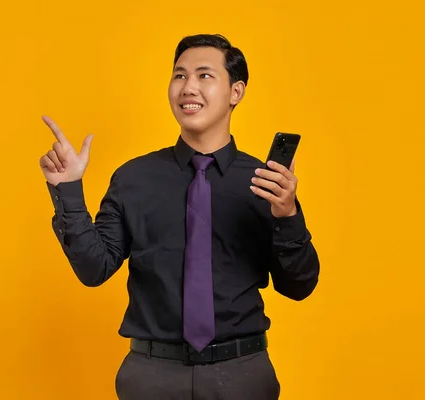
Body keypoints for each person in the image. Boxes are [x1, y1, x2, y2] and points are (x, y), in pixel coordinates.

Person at [39, 34, 320, 400]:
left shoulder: (266, 183)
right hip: (151, 376)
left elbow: (299, 286)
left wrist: (287, 214)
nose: (189, 87)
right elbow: (95, 269)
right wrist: (69, 192)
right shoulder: (133, 179)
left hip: (241, 375)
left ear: (236, 92)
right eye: (179, 76)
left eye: (204, 76)